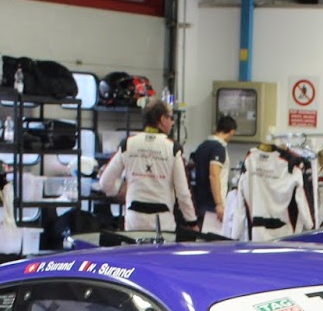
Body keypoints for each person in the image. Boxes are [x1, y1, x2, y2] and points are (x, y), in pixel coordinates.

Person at [98, 101, 196, 237]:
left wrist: (119, 189)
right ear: (162, 119)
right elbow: (183, 192)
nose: (172, 122)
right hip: (162, 221)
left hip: (134, 219)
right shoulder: (173, 148)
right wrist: (192, 222)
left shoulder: (128, 144)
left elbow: (104, 182)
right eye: (171, 118)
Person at [188, 114, 236, 237]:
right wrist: (219, 204)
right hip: (213, 207)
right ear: (231, 131)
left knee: (202, 241)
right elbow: (214, 175)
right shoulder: (218, 148)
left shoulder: (202, 146)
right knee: (214, 243)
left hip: (200, 203)